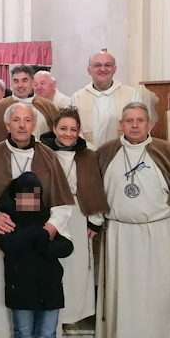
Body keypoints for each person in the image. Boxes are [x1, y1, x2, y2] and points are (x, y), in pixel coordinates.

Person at [95, 102, 170, 338]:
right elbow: (97, 193)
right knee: (120, 293)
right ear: (121, 124)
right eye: (129, 120)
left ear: (150, 124)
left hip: (159, 234)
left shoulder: (168, 151)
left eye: (140, 120)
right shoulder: (107, 152)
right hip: (119, 233)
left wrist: (168, 235)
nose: (135, 125)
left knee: (158, 297)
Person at [0, 103, 73, 338]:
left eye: (27, 120)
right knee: (5, 303)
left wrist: (51, 227)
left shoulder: (48, 156)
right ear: (7, 125)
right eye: (16, 120)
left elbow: (63, 201)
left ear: (34, 125)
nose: (21, 125)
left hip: (42, 246)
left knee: (44, 310)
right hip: (5, 246)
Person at [0, 172, 74, 338]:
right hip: (21, 288)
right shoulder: (8, 219)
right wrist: (38, 235)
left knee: (48, 336)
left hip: (49, 288)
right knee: (22, 336)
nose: (29, 200)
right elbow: (9, 245)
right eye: (24, 195)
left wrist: (43, 244)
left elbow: (67, 246)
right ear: (16, 197)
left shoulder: (51, 218)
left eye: (34, 195)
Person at [39, 108, 108, 326]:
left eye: (73, 129)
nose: (68, 134)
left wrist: (95, 221)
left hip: (77, 214)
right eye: (63, 128)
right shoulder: (41, 151)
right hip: (48, 213)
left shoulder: (89, 153)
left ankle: (72, 314)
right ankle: (51, 312)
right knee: (50, 262)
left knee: (76, 266)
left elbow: (94, 186)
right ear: (54, 129)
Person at [70, 50, 142, 148]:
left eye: (108, 65)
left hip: (122, 152)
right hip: (88, 153)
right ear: (89, 70)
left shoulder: (131, 94)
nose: (103, 69)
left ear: (115, 69)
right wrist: (89, 150)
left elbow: (139, 125)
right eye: (97, 65)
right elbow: (73, 128)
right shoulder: (77, 97)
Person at [0, 65, 58, 146]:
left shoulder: (46, 105)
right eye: (16, 81)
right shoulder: (0, 107)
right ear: (11, 83)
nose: (20, 85)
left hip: (40, 155)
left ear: (33, 82)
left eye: (24, 80)